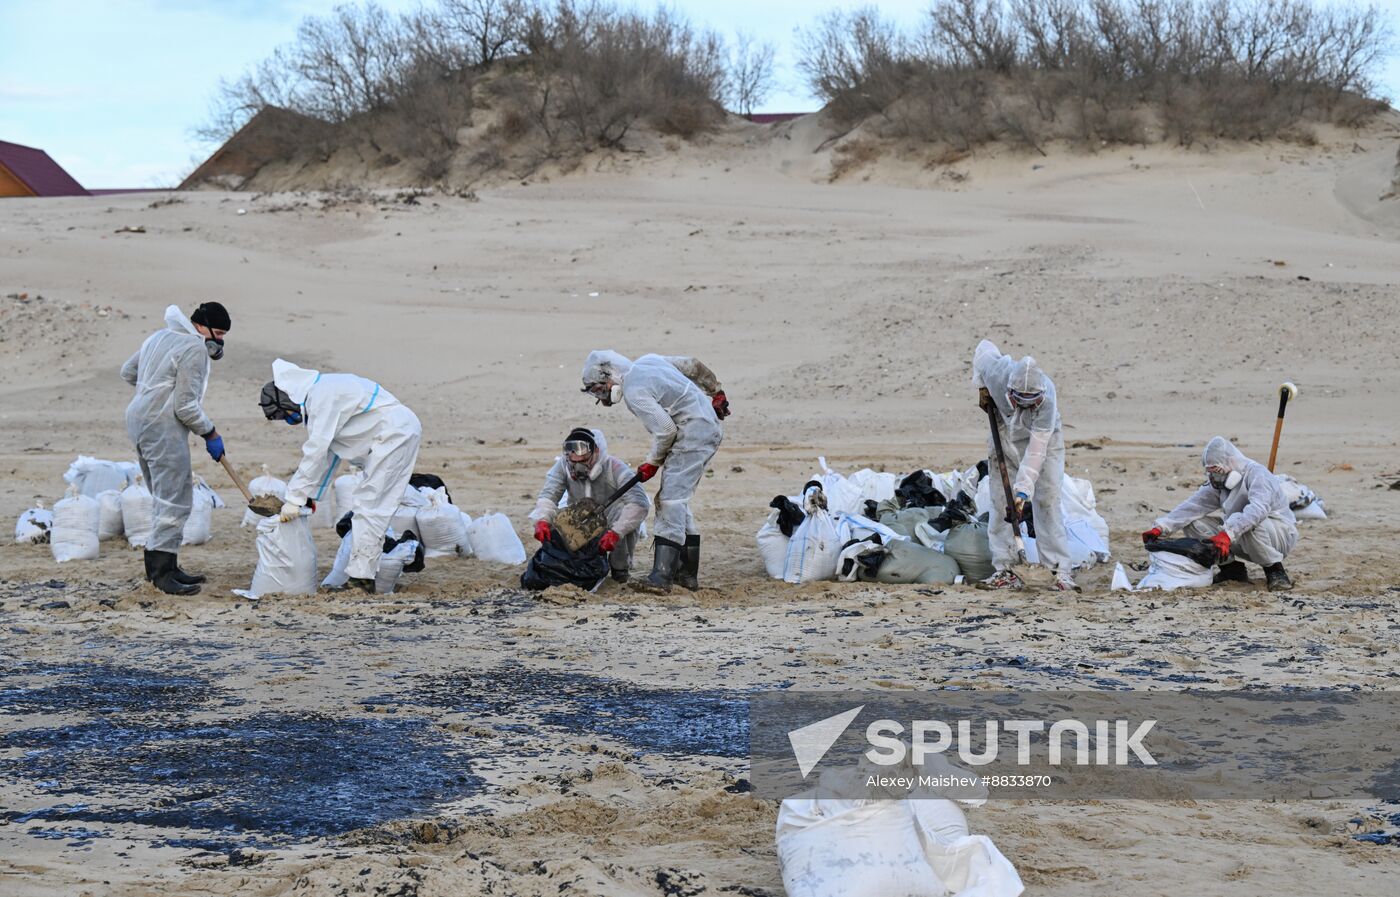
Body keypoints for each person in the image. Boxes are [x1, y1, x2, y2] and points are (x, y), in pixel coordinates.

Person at [260, 359, 422, 594]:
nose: (288, 420)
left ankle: (361, 581)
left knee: (370, 507)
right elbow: (331, 453)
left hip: (394, 434)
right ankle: (362, 576)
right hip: (392, 435)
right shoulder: (322, 393)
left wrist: (294, 498)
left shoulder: (322, 395)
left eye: (283, 415)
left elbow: (316, 449)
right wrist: (310, 496)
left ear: (287, 399)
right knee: (370, 507)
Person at [581, 350, 729, 592]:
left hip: (692, 433)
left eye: (599, 389)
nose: (603, 396)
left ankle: (662, 577)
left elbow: (666, 430)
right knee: (677, 500)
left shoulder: (633, 392)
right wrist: (717, 392)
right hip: (704, 427)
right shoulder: (649, 361)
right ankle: (686, 575)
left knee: (670, 500)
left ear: (609, 375)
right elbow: (692, 365)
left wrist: (652, 461)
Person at [121, 302, 230, 595]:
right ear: (200, 326)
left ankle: (166, 566)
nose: (219, 341)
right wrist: (211, 433)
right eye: (217, 333)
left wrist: (152, 391)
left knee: (162, 494)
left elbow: (128, 371)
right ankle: (161, 574)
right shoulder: (194, 348)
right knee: (175, 499)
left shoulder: (158, 336)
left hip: (137, 419)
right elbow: (185, 406)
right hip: (161, 425)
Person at [971, 339, 1076, 591]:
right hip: (1004, 432)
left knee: (1047, 500)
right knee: (999, 502)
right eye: (1022, 400)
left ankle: (1057, 570)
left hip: (1044, 441)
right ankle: (1005, 568)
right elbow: (983, 348)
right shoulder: (997, 373)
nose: (1029, 405)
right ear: (1010, 392)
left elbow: (1037, 450)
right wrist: (981, 385)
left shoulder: (1047, 399)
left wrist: (1022, 494)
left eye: (1033, 401)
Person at [1143, 436, 1297, 591]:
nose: (1213, 478)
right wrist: (1161, 527)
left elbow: (1257, 510)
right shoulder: (1219, 484)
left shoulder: (1258, 474)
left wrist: (1228, 533)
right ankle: (1231, 569)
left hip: (1278, 535)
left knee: (1243, 520)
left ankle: (1275, 570)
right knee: (1194, 523)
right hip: (1237, 535)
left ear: (1231, 462)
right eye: (1210, 472)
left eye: (1216, 471)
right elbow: (1192, 506)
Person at [529, 427, 650, 582]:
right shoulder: (562, 467)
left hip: (612, 521)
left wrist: (616, 532)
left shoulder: (615, 468)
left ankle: (620, 571)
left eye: (584, 461)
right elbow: (549, 496)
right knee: (554, 522)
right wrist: (542, 520)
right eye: (573, 462)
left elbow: (639, 504)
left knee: (622, 514)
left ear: (596, 452)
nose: (578, 466)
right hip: (581, 519)